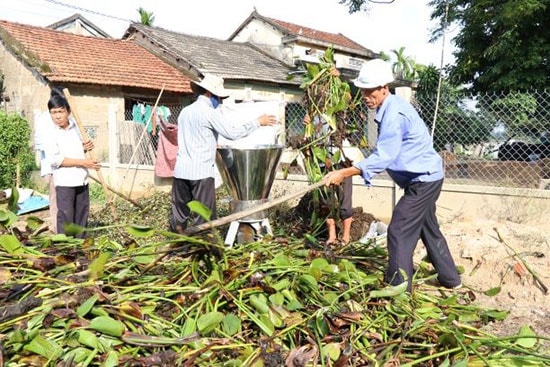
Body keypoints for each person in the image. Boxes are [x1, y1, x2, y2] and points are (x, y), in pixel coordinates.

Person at [323, 59, 461, 291]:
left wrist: (346, 172)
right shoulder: (390, 106)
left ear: (384, 88)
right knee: (429, 228)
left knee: (398, 230)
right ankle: (451, 279)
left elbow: (384, 155)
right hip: (425, 177)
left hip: (424, 180)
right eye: (363, 91)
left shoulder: (394, 114)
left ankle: (398, 288)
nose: (366, 96)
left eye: (370, 91)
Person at [170, 73, 277, 233]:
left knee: (179, 214)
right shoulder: (209, 112)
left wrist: (211, 142)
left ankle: (176, 248)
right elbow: (232, 133)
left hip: (181, 171)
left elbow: (193, 137)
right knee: (204, 217)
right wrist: (257, 122)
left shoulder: (185, 111)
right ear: (210, 93)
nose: (219, 101)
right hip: (201, 172)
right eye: (218, 97)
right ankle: (203, 249)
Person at [43, 89, 100, 238]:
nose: (57, 116)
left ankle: (80, 247)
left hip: (81, 179)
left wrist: (84, 148)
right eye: (53, 112)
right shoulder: (49, 132)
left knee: (82, 215)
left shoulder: (76, 127)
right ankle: (66, 249)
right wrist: (84, 162)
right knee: (66, 216)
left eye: (60, 111)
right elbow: (57, 160)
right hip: (65, 181)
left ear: (68, 111)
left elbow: (74, 149)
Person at [303, 114, 353, 245]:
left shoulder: (339, 112)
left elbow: (345, 133)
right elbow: (307, 144)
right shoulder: (311, 115)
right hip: (321, 165)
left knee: (344, 198)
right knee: (326, 201)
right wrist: (307, 127)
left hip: (341, 161)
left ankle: (346, 236)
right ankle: (332, 235)